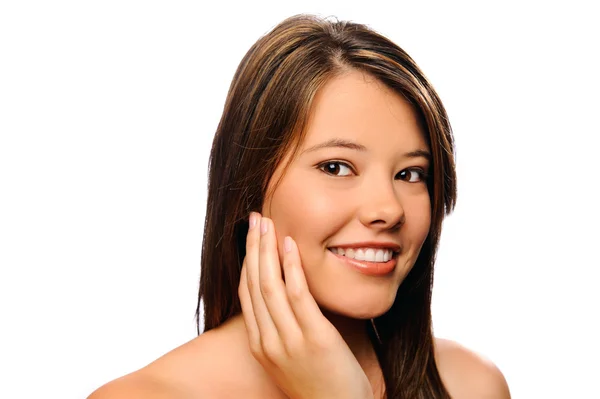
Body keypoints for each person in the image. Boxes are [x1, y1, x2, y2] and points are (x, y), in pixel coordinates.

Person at [89, 14, 511, 398]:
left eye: (411, 174)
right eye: (336, 167)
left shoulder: (471, 384)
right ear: (250, 185)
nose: (389, 208)